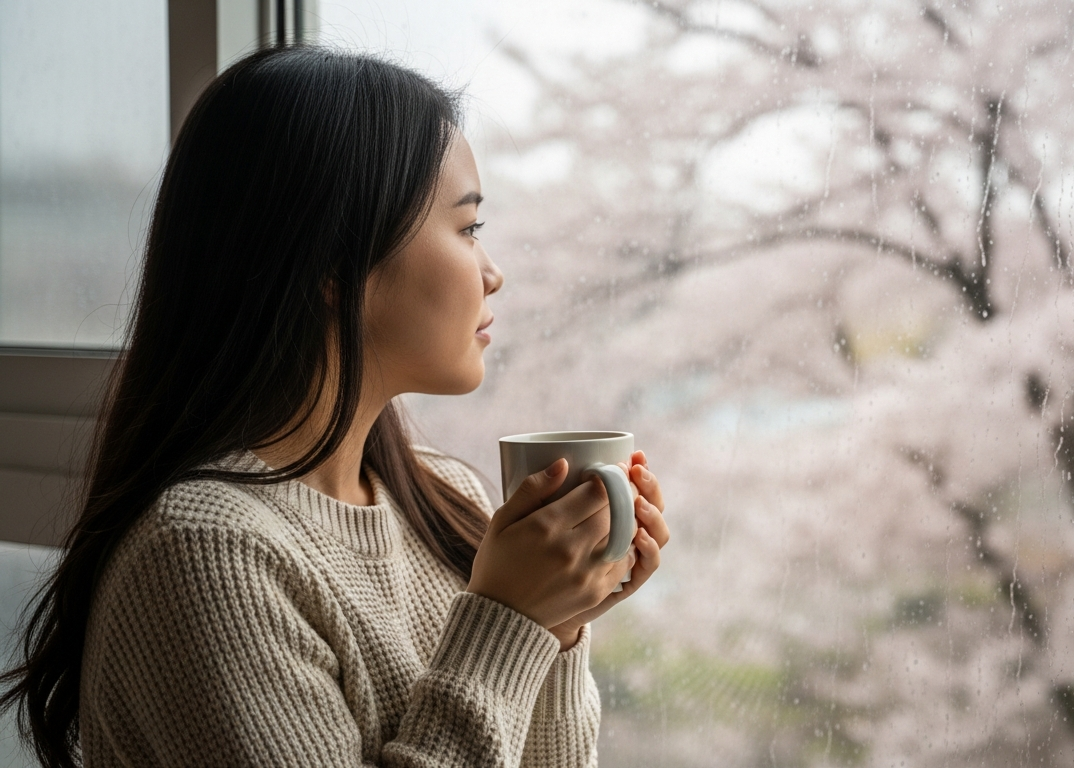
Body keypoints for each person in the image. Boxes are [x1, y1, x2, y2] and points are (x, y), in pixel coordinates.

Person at [0, 46, 669, 767]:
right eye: (468, 229)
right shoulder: (205, 554)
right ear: (330, 261)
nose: (493, 272)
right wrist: (511, 620)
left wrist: (558, 622)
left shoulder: (448, 499)